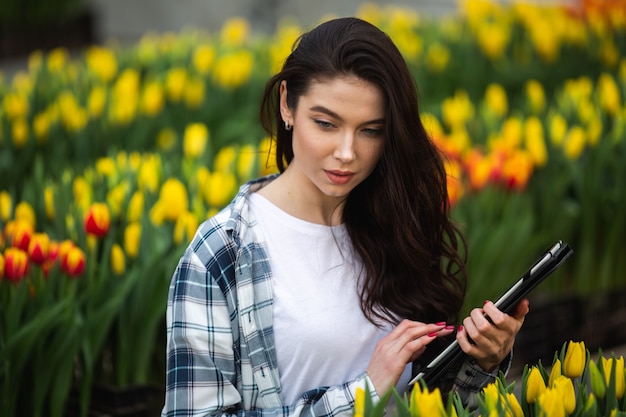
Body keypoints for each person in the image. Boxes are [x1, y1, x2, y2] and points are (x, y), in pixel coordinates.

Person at [161, 16, 529, 417]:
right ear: (287, 103)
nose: (347, 153)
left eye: (370, 130)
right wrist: (363, 394)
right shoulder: (220, 253)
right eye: (326, 124)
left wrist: (484, 362)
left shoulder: (394, 222)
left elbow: (432, 400)